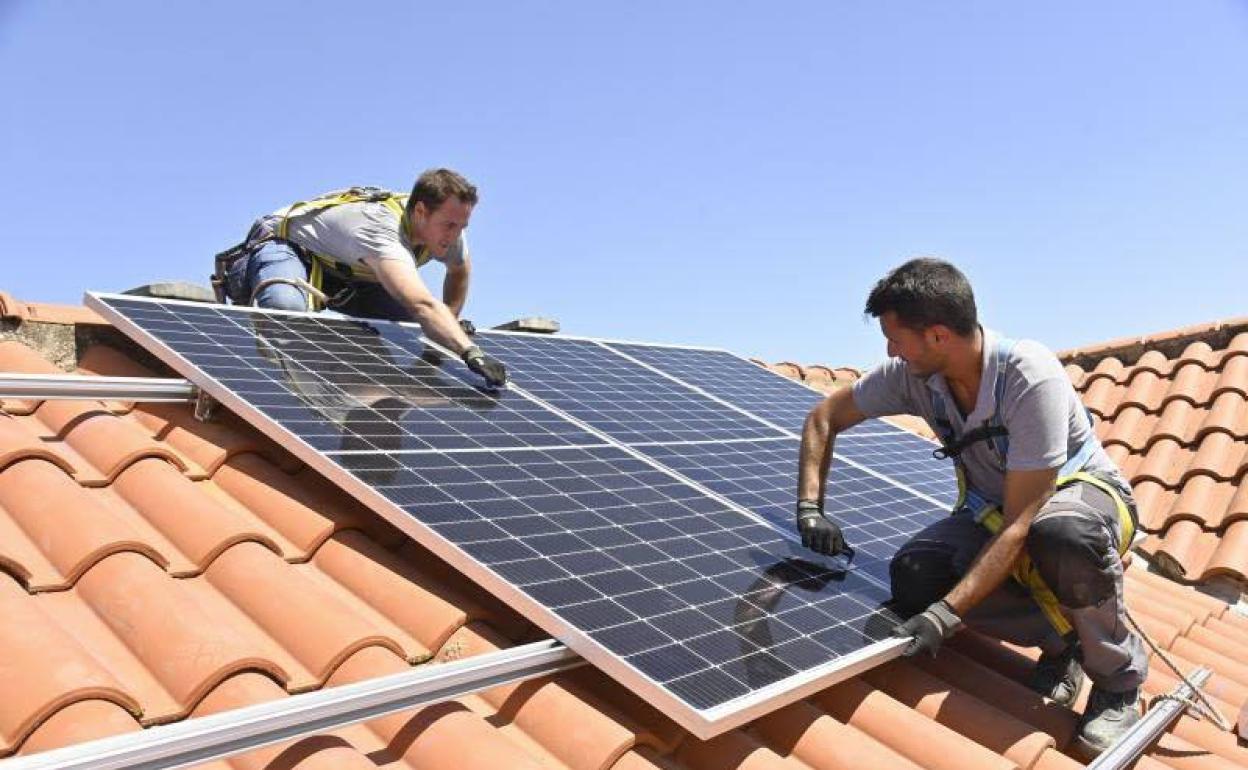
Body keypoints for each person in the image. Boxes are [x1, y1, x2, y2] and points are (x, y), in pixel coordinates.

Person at [795, 258, 1146, 756]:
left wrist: (944, 616)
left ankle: (1117, 680)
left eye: (896, 338)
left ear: (937, 336)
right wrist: (810, 507)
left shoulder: (1029, 377)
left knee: (1061, 534)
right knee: (915, 574)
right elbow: (824, 416)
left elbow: (1024, 522)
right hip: (996, 509)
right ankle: (1061, 637)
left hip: (1076, 501)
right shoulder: (911, 376)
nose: (890, 351)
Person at [217, 168, 505, 388]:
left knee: (424, 329)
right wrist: (469, 352)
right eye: (450, 225)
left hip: (352, 272)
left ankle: (354, 377)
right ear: (420, 212)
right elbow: (422, 303)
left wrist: (449, 322)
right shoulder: (380, 230)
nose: (455, 235)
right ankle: (274, 390)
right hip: (290, 247)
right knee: (285, 310)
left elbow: (459, 270)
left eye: (462, 226)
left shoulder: (448, 229)